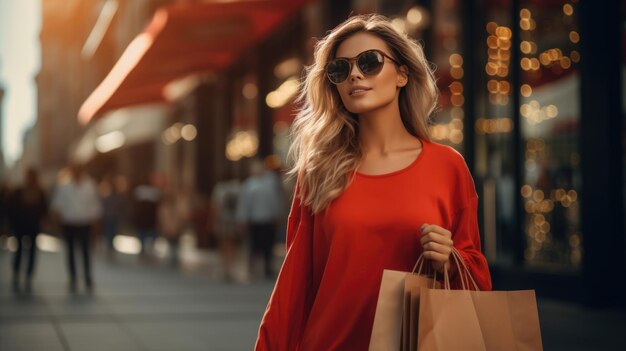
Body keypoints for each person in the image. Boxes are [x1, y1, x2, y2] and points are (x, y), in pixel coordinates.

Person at [254, 15, 492, 350]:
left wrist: (450, 260)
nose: (354, 74)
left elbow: (477, 274)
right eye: (341, 68)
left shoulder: (447, 166)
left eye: (369, 63)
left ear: (402, 74)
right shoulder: (321, 170)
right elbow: (294, 284)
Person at [51, 164, 102, 292]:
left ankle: (87, 277)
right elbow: (57, 207)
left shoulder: (90, 186)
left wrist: (96, 226)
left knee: (85, 252)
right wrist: (57, 225)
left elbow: (95, 207)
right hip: (69, 223)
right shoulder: (64, 187)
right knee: (71, 252)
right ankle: (73, 277)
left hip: (84, 223)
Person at [236, 159, 285, 280]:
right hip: (254, 219)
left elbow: (275, 201)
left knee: (268, 245)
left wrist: (277, 215)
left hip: (267, 219)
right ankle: (252, 268)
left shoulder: (270, 184)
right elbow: (245, 203)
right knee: (253, 245)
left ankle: (267, 267)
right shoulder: (249, 185)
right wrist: (243, 218)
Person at [7, 168, 48, 292]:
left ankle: (27, 275)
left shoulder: (39, 192)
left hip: (32, 227)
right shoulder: (19, 192)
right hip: (21, 226)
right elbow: (11, 208)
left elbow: (43, 209)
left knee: (30, 252)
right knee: (20, 251)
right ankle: (17, 273)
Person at [210, 176, 242, 281]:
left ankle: (225, 267)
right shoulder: (238, 188)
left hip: (223, 220)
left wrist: (213, 220)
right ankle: (231, 267)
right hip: (234, 219)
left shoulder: (219, 188)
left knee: (224, 244)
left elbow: (216, 205)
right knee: (232, 244)